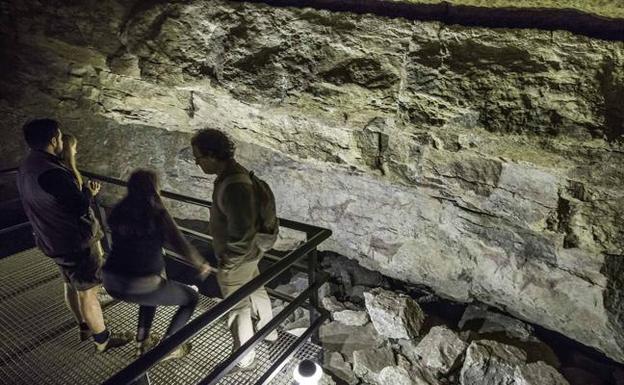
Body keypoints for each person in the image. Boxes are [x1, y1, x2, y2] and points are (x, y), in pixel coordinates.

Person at [16, 118, 131, 352]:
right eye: (59, 136)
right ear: (53, 140)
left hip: (50, 238)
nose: (61, 140)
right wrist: (89, 192)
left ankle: (84, 326)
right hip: (73, 242)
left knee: (70, 283)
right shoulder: (52, 173)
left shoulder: (27, 166)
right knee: (89, 291)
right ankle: (103, 340)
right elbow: (78, 206)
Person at [102, 169, 214, 359]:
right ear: (154, 190)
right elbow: (181, 245)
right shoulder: (157, 214)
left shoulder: (119, 210)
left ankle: (142, 342)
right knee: (191, 298)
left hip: (110, 280)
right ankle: (168, 348)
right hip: (139, 285)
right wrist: (201, 264)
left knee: (155, 290)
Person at [191, 128, 278, 372]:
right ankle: (269, 332)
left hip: (239, 256)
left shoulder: (233, 185)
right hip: (250, 253)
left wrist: (227, 263)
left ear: (211, 155)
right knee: (256, 287)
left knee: (236, 305)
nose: (198, 164)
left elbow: (242, 231)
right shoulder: (235, 174)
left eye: (198, 158)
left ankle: (245, 357)